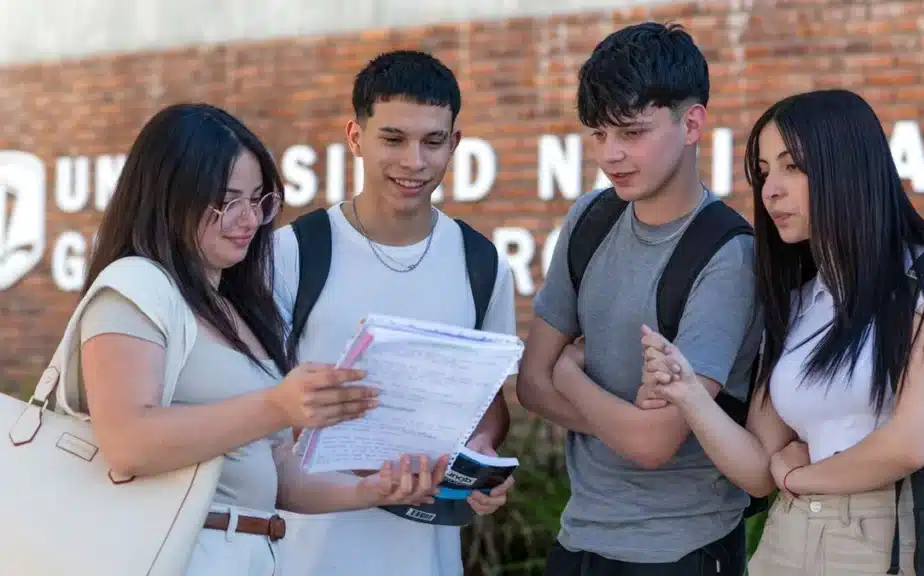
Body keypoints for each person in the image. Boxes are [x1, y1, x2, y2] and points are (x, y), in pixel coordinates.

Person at [76, 103, 444, 576]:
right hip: (171, 554)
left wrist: (374, 491)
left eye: (259, 200)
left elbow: (275, 474)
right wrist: (276, 406)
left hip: (249, 553)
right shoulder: (135, 285)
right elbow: (127, 441)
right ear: (168, 198)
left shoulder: (236, 307)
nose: (249, 219)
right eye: (228, 201)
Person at [641, 88, 924, 575]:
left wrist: (803, 476)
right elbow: (760, 469)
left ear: (847, 167)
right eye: (764, 172)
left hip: (881, 539)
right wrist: (688, 393)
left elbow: (912, 441)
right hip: (786, 538)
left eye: (793, 166)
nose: (771, 190)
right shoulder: (800, 299)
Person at [516, 22, 762, 575]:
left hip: (680, 550)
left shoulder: (726, 256)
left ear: (692, 122)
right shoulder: (590, 219)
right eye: (599, 135)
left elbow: (655, 446)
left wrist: (572, 376)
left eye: (631, 132)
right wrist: (628, 423)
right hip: (579, 539)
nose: (611, 155)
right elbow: (531, 384)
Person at [271, 50, 518, 576]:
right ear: (356, 137)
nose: (414, 162)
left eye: (433, 142)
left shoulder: (482, 263)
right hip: (302, 551)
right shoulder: (292, 253)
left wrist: (480, 457)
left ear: (454, 143)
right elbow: (254, 402)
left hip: (425, 555)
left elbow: (489, 404)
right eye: (393, 139)